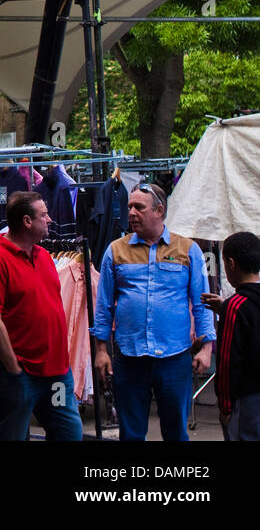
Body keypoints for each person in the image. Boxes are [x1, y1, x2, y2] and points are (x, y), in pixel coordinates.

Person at [92, 181, 214, 441]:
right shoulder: (115, 251)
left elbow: (202, 303)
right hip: (129, 358)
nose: (131, 213)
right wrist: (101, 351)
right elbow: (103, 307)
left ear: (159, 211)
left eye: (139, 207)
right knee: (131, 434)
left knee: (176, 432)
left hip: (174, 358)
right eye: (130, 207)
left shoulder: (187, 250)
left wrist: (206, 348)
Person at [0, 191, 83, 440]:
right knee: (13, 435)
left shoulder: (44, 256)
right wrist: (13, 367)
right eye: (44, 215)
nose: (50, 219)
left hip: (56, 372)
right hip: (20, 374)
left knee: (68, 433)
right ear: (27, 221)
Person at [203, 231, 260, 440]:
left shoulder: (236, 306)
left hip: (246, 401)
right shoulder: (236, 306)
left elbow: (227, 361)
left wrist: (225, 407)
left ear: (231, 263)